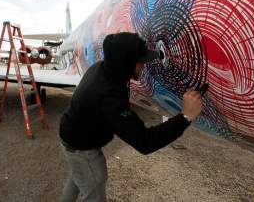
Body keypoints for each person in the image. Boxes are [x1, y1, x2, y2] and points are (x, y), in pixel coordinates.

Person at [59, 32, 202, 202]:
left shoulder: (103, 68)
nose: (143, 66)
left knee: (78, 177)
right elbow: (145, 142)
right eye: (140, 62)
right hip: (80, 147)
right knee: (94, 186)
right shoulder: (108, 96)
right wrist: (184, 117)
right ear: (126, 64)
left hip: (72, 137)